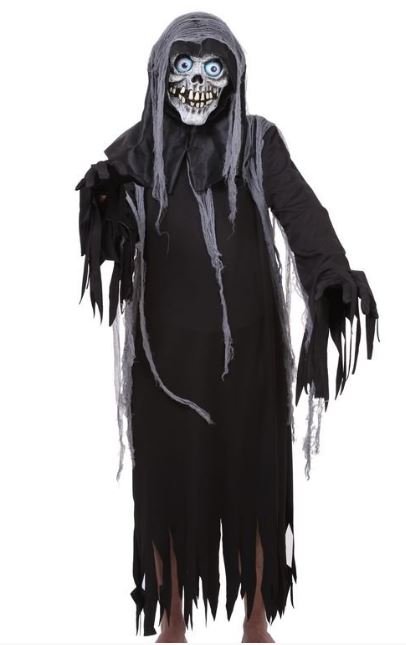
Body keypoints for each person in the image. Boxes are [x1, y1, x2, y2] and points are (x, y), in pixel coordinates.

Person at [75, 11, 379, 643]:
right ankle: (172, 621)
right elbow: (112, 251)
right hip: (165, 353)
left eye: (214, 68)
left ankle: (257, 620)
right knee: (167, 478)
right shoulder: (137, 152)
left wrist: (331, 275)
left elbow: (303, 214)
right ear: (160, 73)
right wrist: (101, 205)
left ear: (234, 77)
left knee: (255, 473)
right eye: (184, 66)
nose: (198, 81)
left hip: (250, 348)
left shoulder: (258, 143)